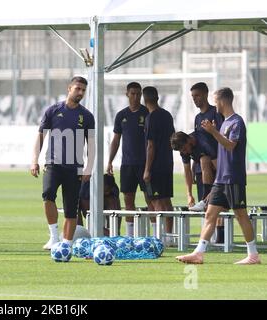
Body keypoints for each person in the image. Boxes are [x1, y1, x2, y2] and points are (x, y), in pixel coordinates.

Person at [176, 87, 261, 264]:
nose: (215, 106)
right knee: (210, 214)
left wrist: (213, 132)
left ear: (222, 101)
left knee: (241, 215)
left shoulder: (237, 122)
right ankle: (198, 253)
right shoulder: (223, 124)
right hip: (221, 179)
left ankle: (253, 255)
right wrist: (215, 131)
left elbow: (230, 146)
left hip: (233, 177)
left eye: (215, 102)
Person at [31, 76, 95, 250]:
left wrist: (88, 168)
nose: (80, 93)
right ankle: (53, 237)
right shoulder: (53, 110)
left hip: (75, 168)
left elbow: (91, 144)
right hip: (53, 164)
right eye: (78, 89)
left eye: (83, 90)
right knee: (48, 194)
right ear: (69, 88)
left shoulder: (87, 116)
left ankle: (66, 244)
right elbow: (40, 136)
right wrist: (34, 160)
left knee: (71, 207)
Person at [106, 82, 154, 237]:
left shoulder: (147, 113)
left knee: (150, 199)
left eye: (138, 94)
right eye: (132, 93)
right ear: (127, 94)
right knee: (128, 199)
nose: (135, 96)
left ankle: (155, 235)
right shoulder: (121, 115)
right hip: (127, 165)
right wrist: (109, 161)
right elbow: (116, 140)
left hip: (145, 164)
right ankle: (130, 235)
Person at [142, 86, 175, 243]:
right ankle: (169, 236)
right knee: (167, 201)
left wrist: (147, 169)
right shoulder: (167, 115)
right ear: (157, 97)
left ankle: (159, 238)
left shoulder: (151, 118)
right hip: (168, 163)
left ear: (144, 99)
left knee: (156, 201)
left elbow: (151, 145)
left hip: (156, 166)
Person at [189, 82, 223, 211]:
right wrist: (193, 166)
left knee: (218, 207)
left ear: (205, 94)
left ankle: (221, 232)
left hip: (216, 164)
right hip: (201, 168)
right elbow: (196, 143)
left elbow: (222, 136)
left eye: (197, 95)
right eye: (193, 96)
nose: (195, 99)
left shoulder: (215, 113)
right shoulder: (197, 118)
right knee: (205, 209)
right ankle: (209, 231)